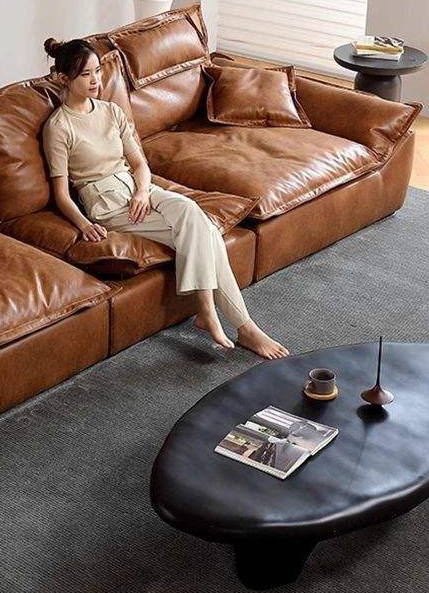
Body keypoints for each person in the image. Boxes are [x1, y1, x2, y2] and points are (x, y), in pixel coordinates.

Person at [41, 38, 289, 360]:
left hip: (139, 189)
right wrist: (84, 224)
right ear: (64, 78)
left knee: (192, 212)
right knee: (206, 232)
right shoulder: (59, 128)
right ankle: (241, 325)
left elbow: (140, 164)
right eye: (85, 74)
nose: (95, 80)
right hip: (108, 203)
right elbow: (61, 194)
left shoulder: (111, 111)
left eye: (98, 71)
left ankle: (210, 313)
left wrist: (143, 191)